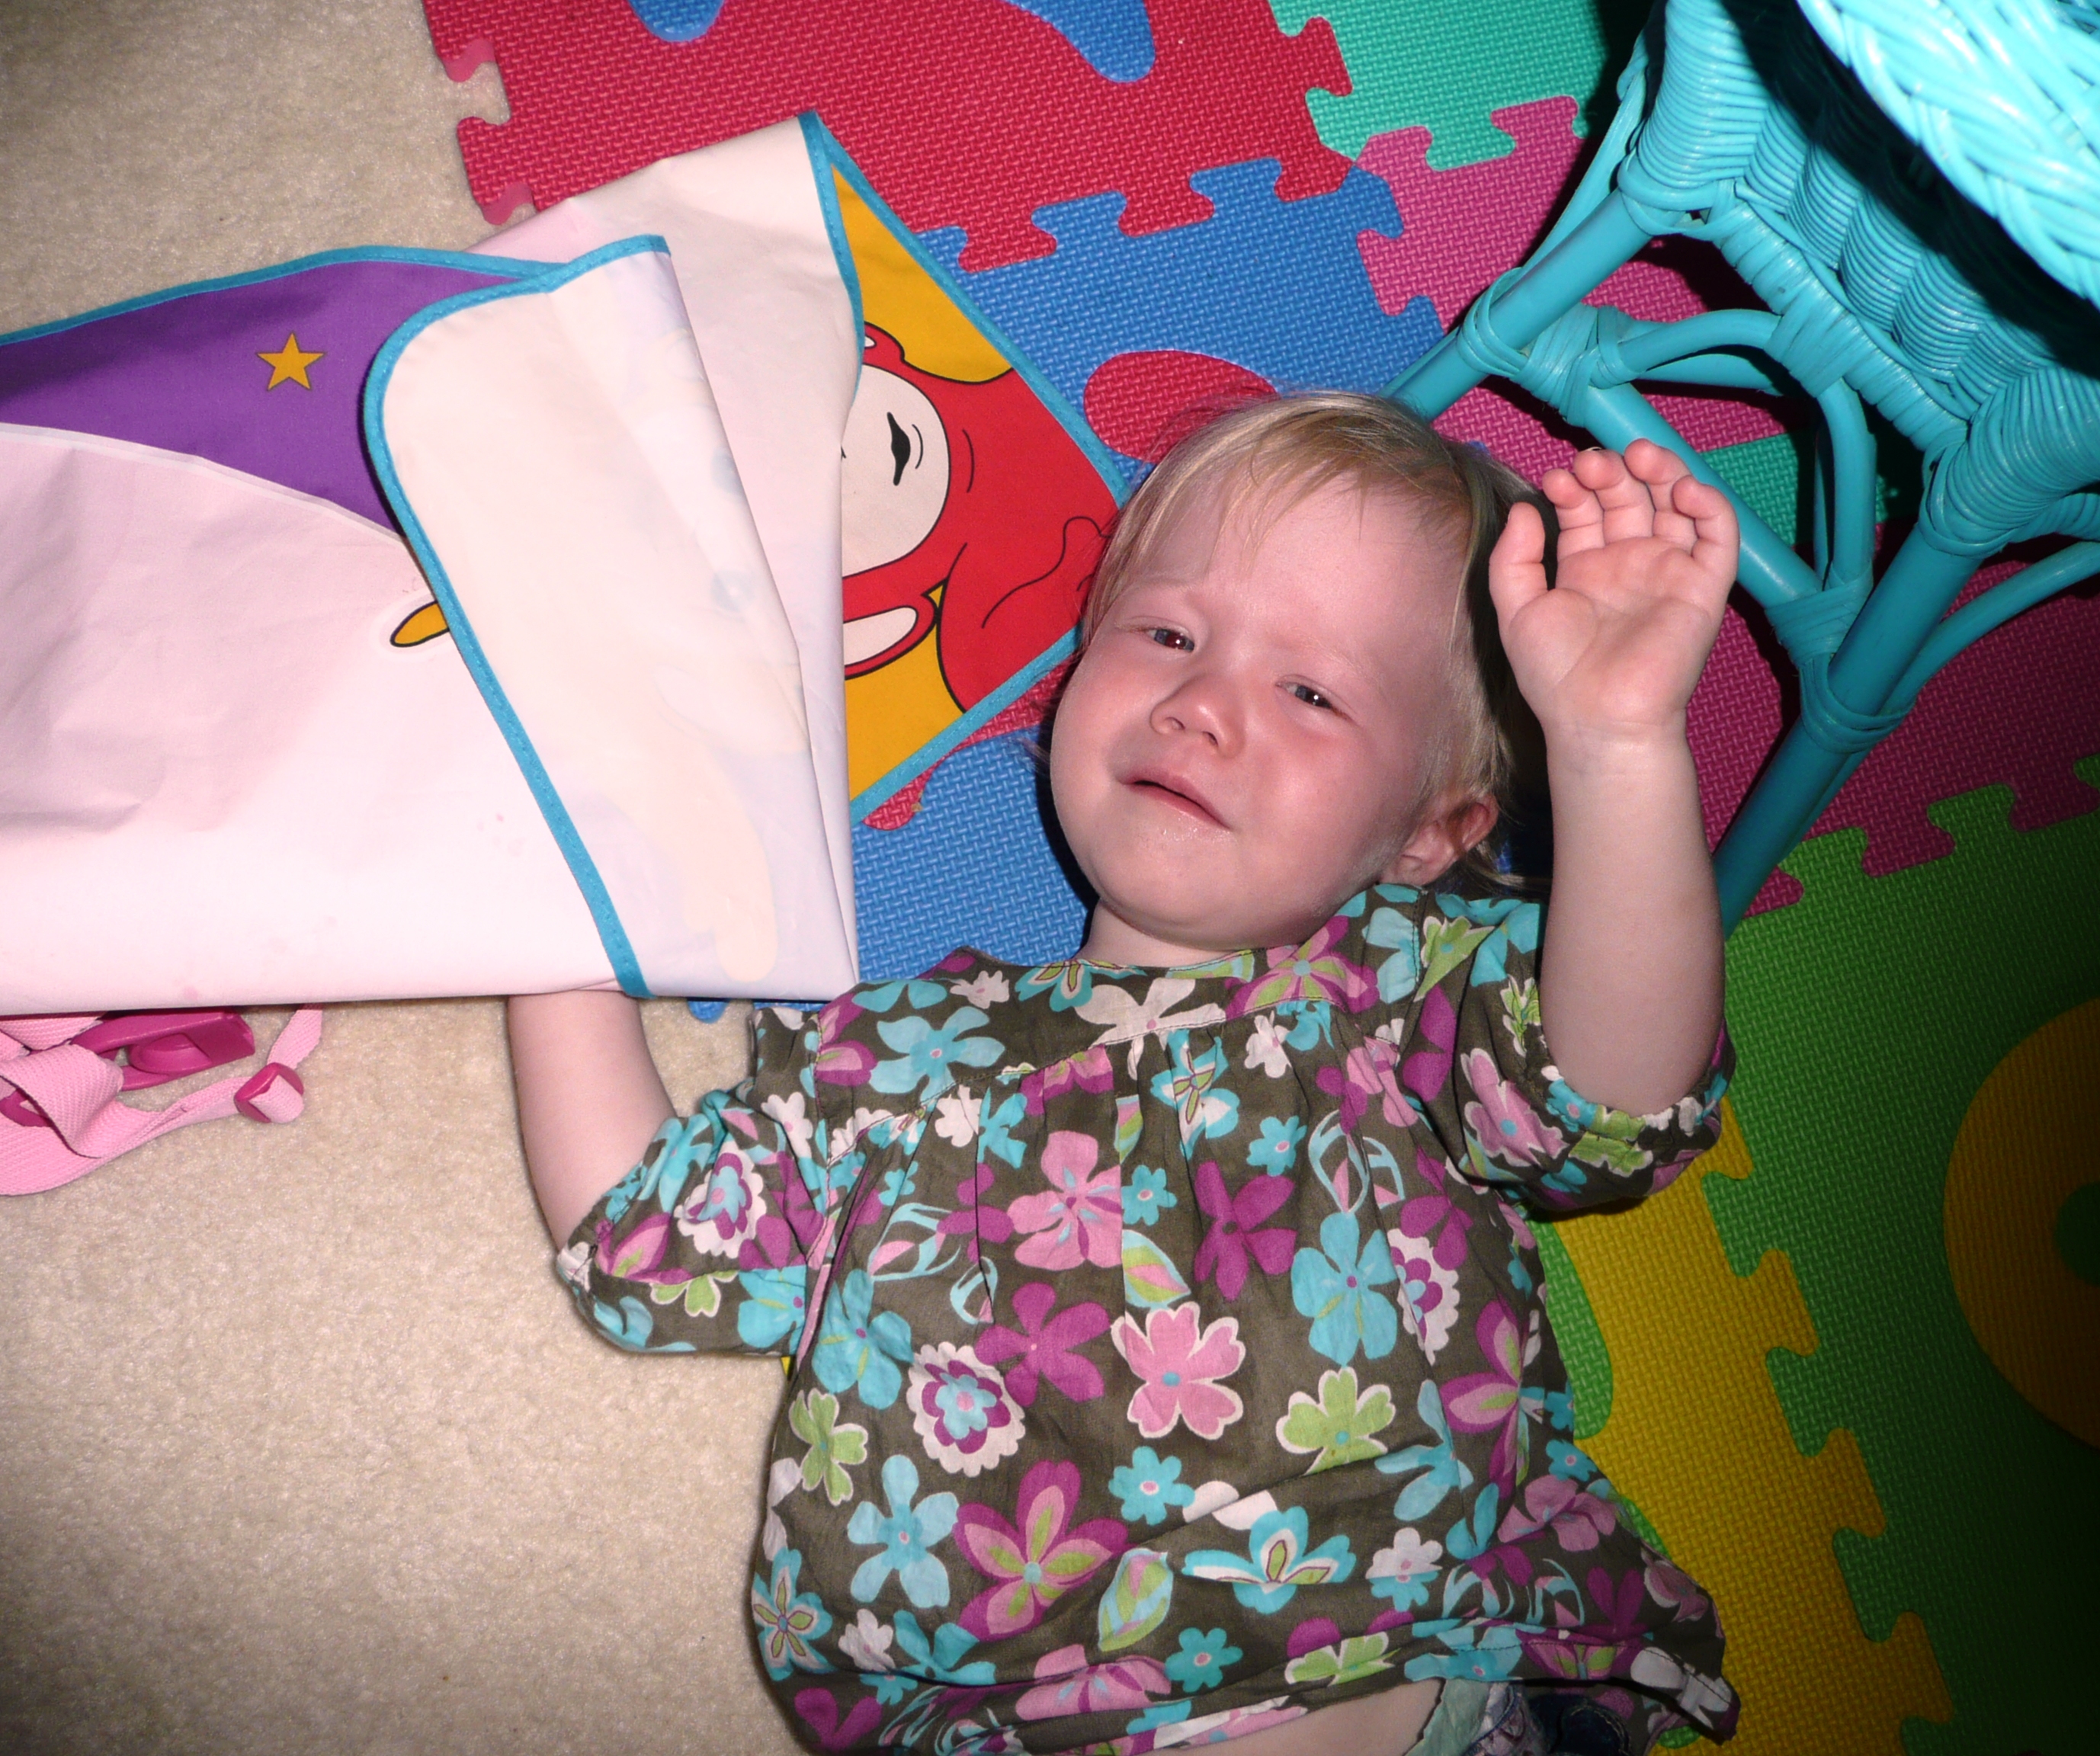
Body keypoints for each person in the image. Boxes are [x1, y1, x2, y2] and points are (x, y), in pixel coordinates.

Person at [508, 393, 1743, 1756]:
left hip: (1438, 1677)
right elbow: (644, 1236)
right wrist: (550, 916)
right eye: (1166, 634)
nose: (1202, 704)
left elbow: (1617, 1106)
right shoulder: (897, 1063)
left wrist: (1618, 747)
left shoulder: (1405, 997)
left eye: (1313, 693)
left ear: (1428, 834)